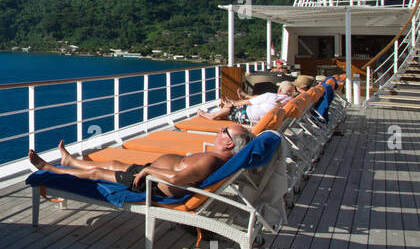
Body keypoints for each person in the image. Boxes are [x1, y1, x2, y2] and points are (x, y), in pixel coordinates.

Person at [28, 129, 252, 197]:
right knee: (114, 162)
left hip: (151, 182)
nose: (220, 131)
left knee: (97, 172)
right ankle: (70, 160)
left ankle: (51, 169)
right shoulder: (216, 158)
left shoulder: (212, 160)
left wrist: (148, 170)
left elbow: (176, 178)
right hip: (152, 173)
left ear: (230, 145)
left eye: (225, 132)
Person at [197, 81, 294, 125]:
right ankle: (215, 113)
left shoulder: (271, 95)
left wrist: (232, 104)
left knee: (229, 108)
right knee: (233, 108)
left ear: (280, 90)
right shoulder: (290, 101)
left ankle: (211, 115)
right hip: (260, 119)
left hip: (249, 118)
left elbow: (248, 102)